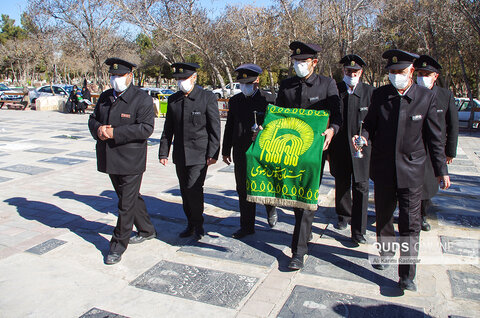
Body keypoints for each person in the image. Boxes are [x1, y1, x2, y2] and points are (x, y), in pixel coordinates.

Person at [354, 49, 450, 291]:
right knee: (384, 217)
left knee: (410, 224)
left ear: (411, 72)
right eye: (392, 72)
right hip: (384, 168)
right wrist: (363, 138)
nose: (396, 76)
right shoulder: (380, 95)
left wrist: (441, 170)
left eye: (401, 72)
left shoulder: (425, 98)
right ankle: (385, 254)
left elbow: (435, 138)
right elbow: (370, 125)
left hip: (412, 170)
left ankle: (407, 274)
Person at [275, 41, 342, 270]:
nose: (299, 65)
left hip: (315, 151)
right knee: (296, 198)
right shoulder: (286, 86)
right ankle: (305, 231)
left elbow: (337, 116)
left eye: (303, 61)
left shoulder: (327, 84)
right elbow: (277, 116)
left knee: (306, 197)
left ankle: (298, 252)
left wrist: (332, 130)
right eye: (295, 61)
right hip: (291, 150)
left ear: (314, 62)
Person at [88, 58, 156, 265]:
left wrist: (115, 132)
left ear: (130, 76)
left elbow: (146, 128)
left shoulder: (141, 99)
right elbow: (93, 118)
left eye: (119, 75)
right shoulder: (106, 96)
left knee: (125, 204)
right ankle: (147, 229)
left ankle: (117, 245)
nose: (115, 79)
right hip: (110, 157)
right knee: (130, 197)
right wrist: (98, 129)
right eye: (113, 75)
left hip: (131, 159)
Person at [159, 62, 221, 240]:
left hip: (199, 154)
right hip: (180, 154)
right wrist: (164, 152)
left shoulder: (206, 97)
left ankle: (198, 224)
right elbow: (167, 129)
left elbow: (214, 128)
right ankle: (190, 223)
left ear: (194, 78)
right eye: (178, 79)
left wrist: (213, 153)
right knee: (184, 191)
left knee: (194, 189)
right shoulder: (173, 100)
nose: (181, 82)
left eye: (184, 78)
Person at [222, 64, 278, 239]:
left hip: (263, 150)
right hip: (241, 150)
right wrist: (225, 150)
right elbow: (230, 126)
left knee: (266, 183)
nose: (245, 86)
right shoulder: (235, 101)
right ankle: (247, 226)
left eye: (249, 83)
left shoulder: (269, 100)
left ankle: (271, 207)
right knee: (243, 188)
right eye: (242, 83)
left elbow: (277, 125)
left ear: (257, 81)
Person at [329, 54, 374, 244]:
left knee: (361, 187)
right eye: (348, 71)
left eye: (355, 71)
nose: (352, 74)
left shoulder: (370, 92)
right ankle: (343, 216)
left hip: (362, 148)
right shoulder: (335, 90)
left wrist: (365, 137)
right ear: (343, 72)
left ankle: (359, 230)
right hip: (340, 147)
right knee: (342, 183)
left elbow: (374, 122)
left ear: (361, 73)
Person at [414, 55, 459, 231]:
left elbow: (453, 125)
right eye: (420, 73)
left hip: (433, 149)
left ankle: (422, 215)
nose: (422, 77)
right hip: (413, 145)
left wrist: (450, 152)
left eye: (427, 74)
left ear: (435, 76)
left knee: (428, 184)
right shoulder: (411, 92)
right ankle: (409, 213)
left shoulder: (445, 95)